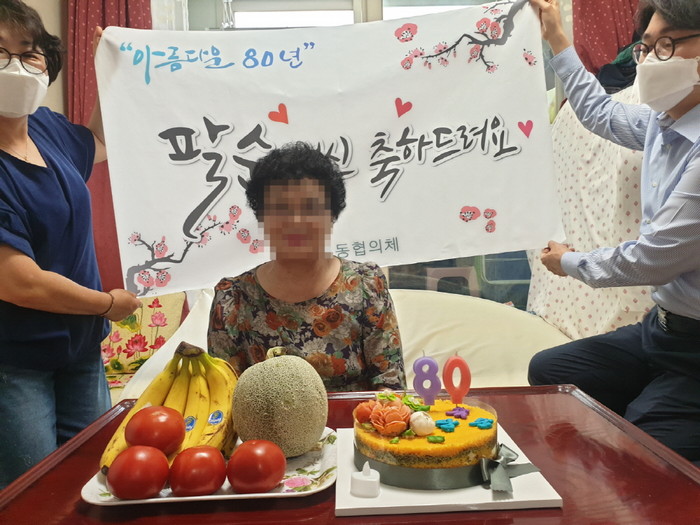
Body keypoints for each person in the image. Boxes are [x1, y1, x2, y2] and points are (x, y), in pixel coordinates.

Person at [528, 0, 700, 465]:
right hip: (660, 331)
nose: (649, 61)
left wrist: (567, 262)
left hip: (696, 351)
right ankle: (657, 406)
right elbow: (600, 112)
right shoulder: (665, 124)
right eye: (646, 47)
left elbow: (652, 258)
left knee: (645, 458)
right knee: (550, 370)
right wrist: (556, 36)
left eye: (667, 46)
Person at [0, 0, 141, 488]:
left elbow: (98, 142)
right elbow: (19, 283)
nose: (15, 66)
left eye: (28, 52)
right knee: (33, 493)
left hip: (80, 350)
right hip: (15, 363)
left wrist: (110, 68)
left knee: (92, 478)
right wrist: (107, 304)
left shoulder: (46, 128)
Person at [208, 142, 406, 392]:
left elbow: (391, 389)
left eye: (310, 207)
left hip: (356, 418)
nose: (296, 221)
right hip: (263, 420)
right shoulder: (232, 299)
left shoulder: (366, 286)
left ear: (332, 215)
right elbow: (223, 396)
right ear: (262, 217)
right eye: (281, 209)